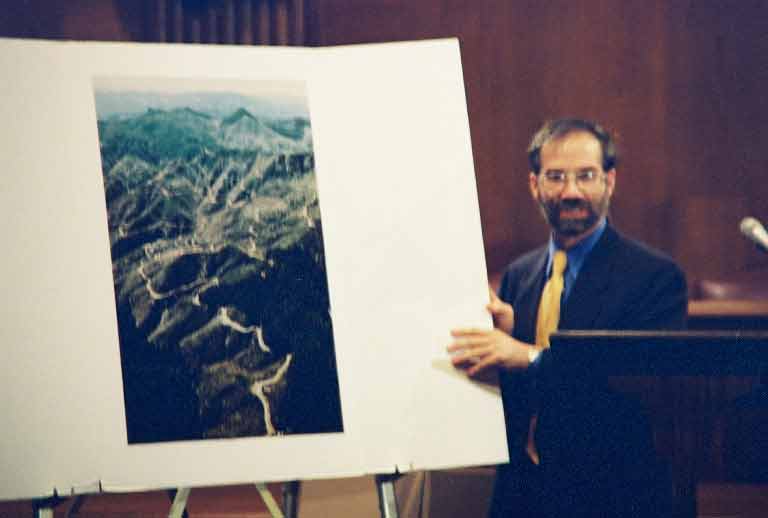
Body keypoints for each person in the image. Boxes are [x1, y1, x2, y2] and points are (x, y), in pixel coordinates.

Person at [448, 118, 687, 517]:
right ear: (534, 184)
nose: (571, 191)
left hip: (612, 493)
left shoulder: (656, 277)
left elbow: (635, 381)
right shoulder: (518, 276)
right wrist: (509, 339)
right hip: (525, 493)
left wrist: (525, 354)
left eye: (586, 176)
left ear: (609, 182)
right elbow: (519, 384)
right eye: (556, 176)